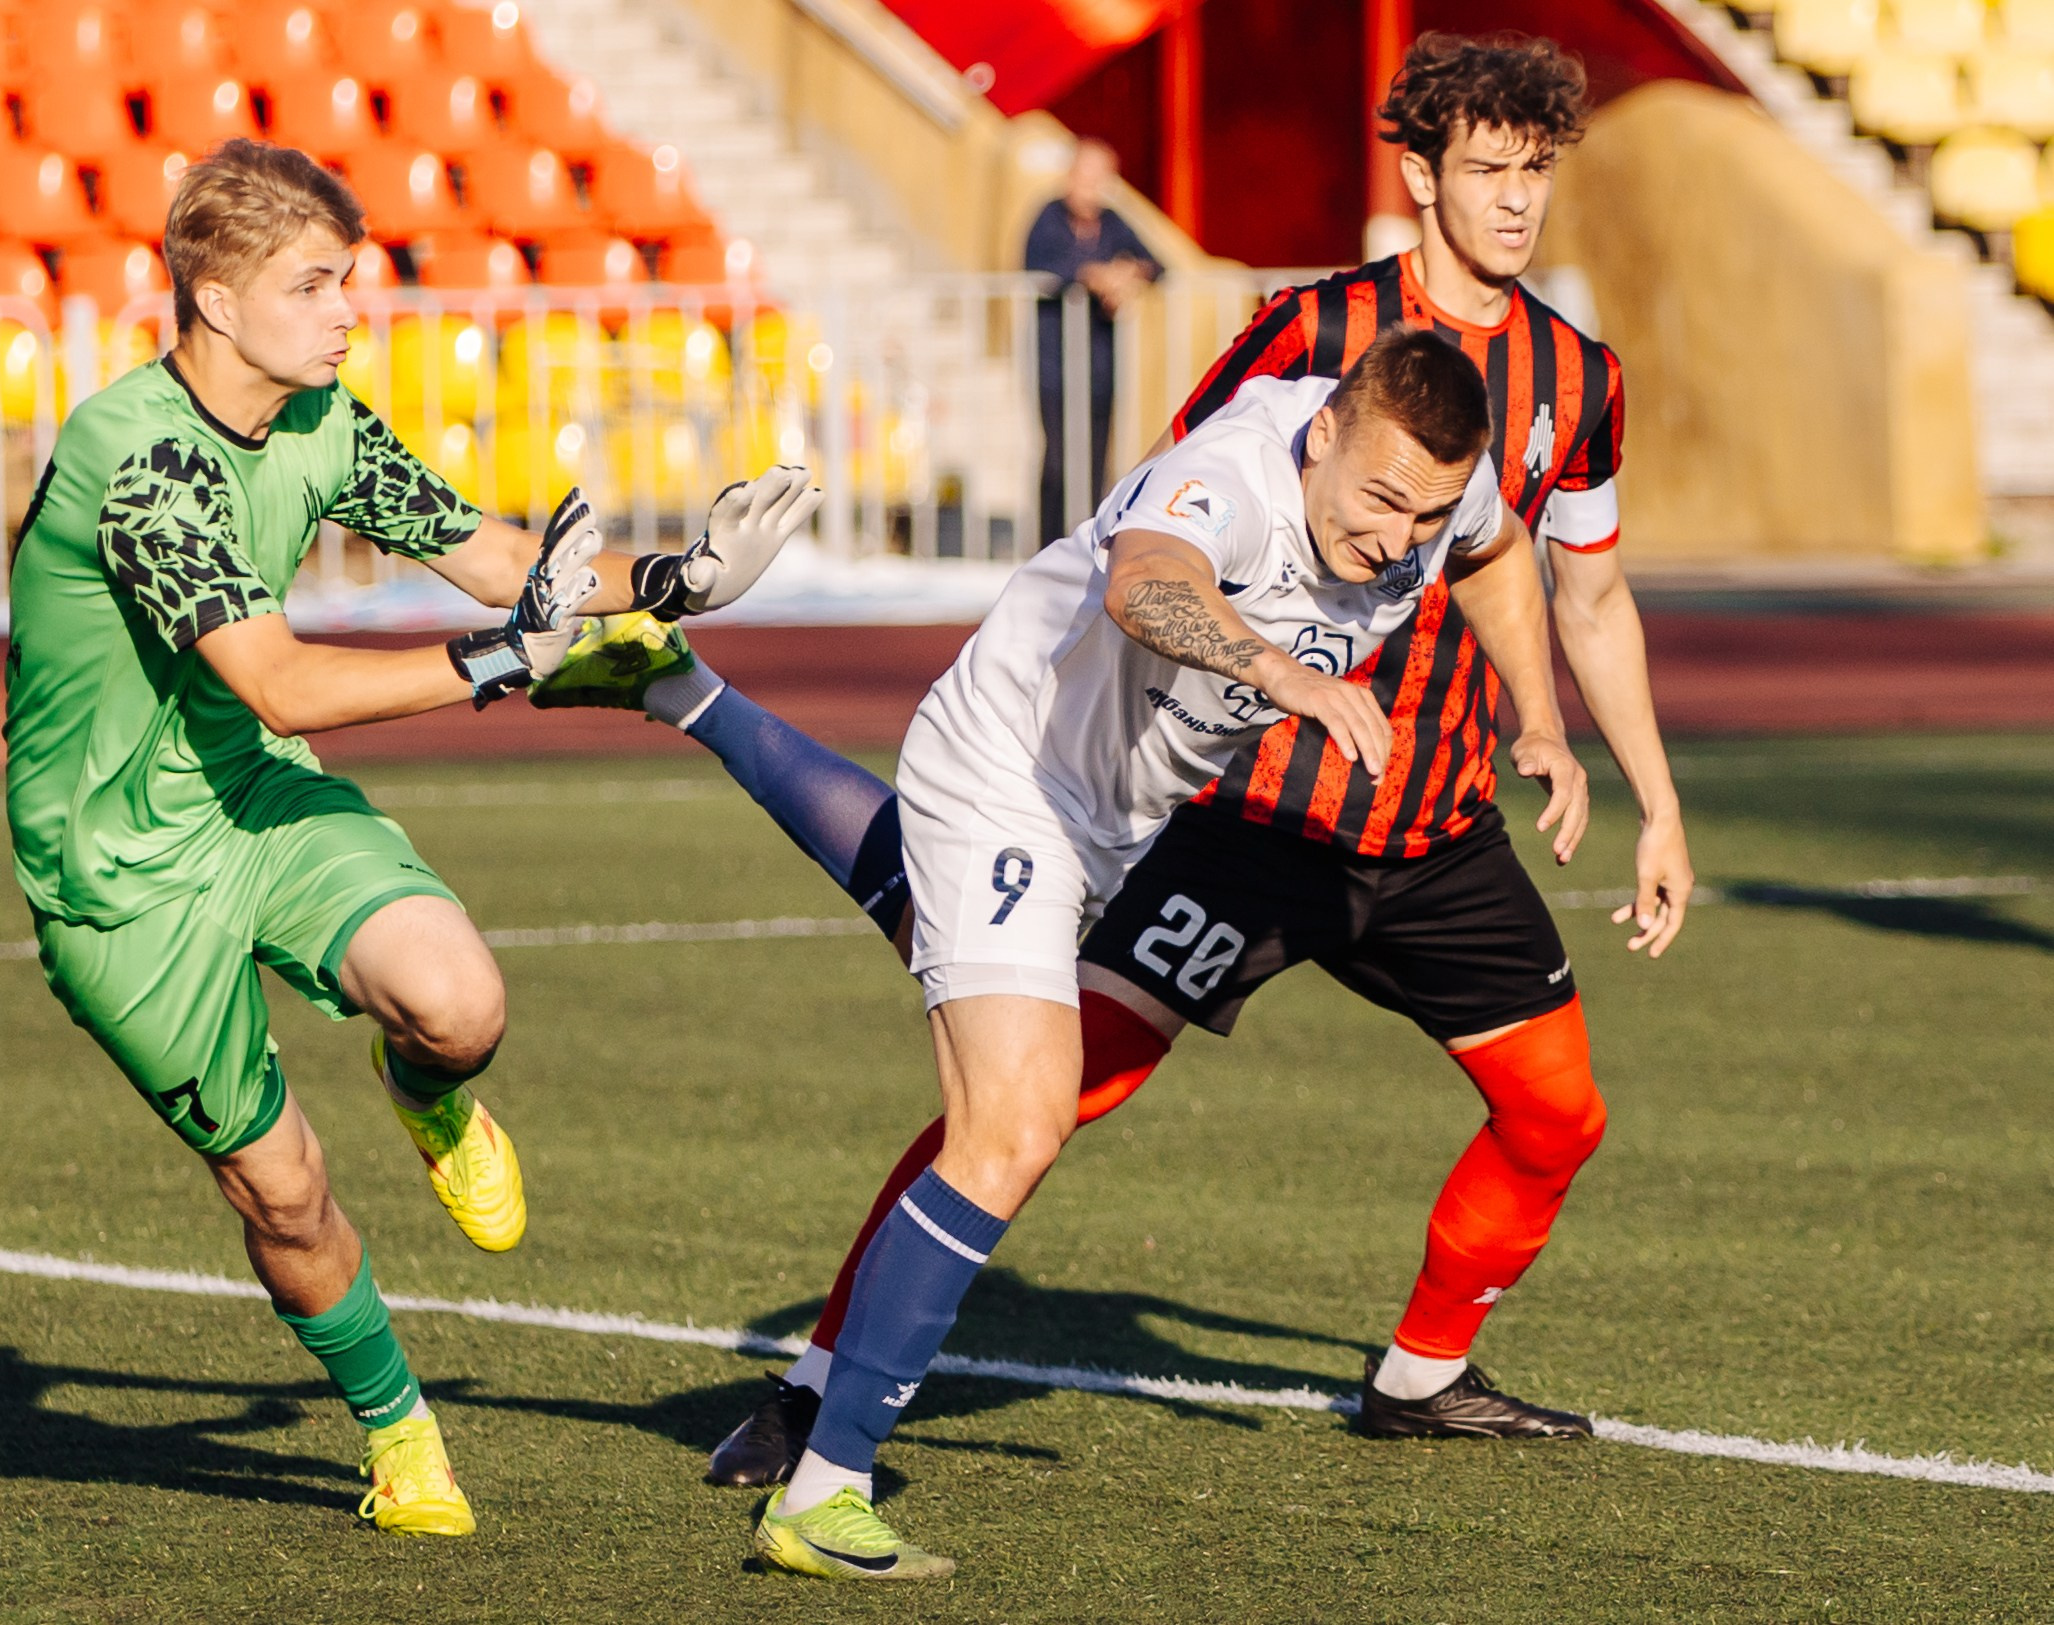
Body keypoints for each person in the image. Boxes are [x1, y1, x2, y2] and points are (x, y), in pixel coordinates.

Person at [535, 31, 1690, 1492]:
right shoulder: (1311, 336)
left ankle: (1421, 1374)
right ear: (1419, 175)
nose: (1517, 201)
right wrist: (1269, 670)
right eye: (1487, 170)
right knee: (1026, 1102)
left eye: (1536, 173)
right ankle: (817, 1391)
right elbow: (1168, 532)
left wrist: (1601, 760)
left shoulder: (1570, 380)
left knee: (1556, 1111)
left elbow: (1537, 569)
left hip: (1436, 826)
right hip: (1239, 811)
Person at [4, 139, 818, 1538]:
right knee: (287, 1195)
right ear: (212, 301)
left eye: (349, 281)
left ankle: (424, 1090)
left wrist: (678, 578)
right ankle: (397, 1427)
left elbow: (510, 562)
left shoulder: (321, 421)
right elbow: (281, 679)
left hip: (248, 791)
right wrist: (500, 659)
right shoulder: (132, 457)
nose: (346, 313)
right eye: (314, 285)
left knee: (461, 1002)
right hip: (116, 877)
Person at [752, 329, 1548, 1578]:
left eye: (1425, 510)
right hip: (1004, 771)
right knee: (1013, 1122)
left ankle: (677, 686)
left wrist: (1540, 716)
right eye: (1383, 500)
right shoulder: (1236, 470)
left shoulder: (1437, 493)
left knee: (918, 919)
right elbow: (1146, 584)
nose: (1400, 537)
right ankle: (826, 1480)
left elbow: (1492, 549)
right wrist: (1276, 668)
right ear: (1323, 432)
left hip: (1108, 818)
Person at [1027, 137, 1162, 544]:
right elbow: (1037, 265)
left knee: (1097, 460)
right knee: (1058, 461)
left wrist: (1127, 272)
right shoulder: (1048, 218)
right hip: (1056, 361)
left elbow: (1157, 265)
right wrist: (1091, 275)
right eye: (1086, 176)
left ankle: (1087, 542)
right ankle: (1049, 545)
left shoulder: (1114, 222)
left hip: (1100, 362)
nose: (1091, 186)